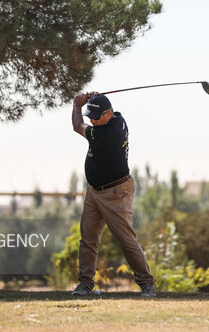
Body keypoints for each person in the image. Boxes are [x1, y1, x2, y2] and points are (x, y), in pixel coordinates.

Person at [70, 91, 156, 297]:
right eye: (90, 116)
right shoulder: (118, 118)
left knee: (126, 239)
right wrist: (95, 100)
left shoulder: (104, 135)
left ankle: (147, 284)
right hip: (94, 191)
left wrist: (76, 105)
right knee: (88, 239)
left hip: (116, 193)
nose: (91, 120)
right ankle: (85, 284)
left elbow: (76, 126)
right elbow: (98, 111)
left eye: (96, 117)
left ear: (108, 114)